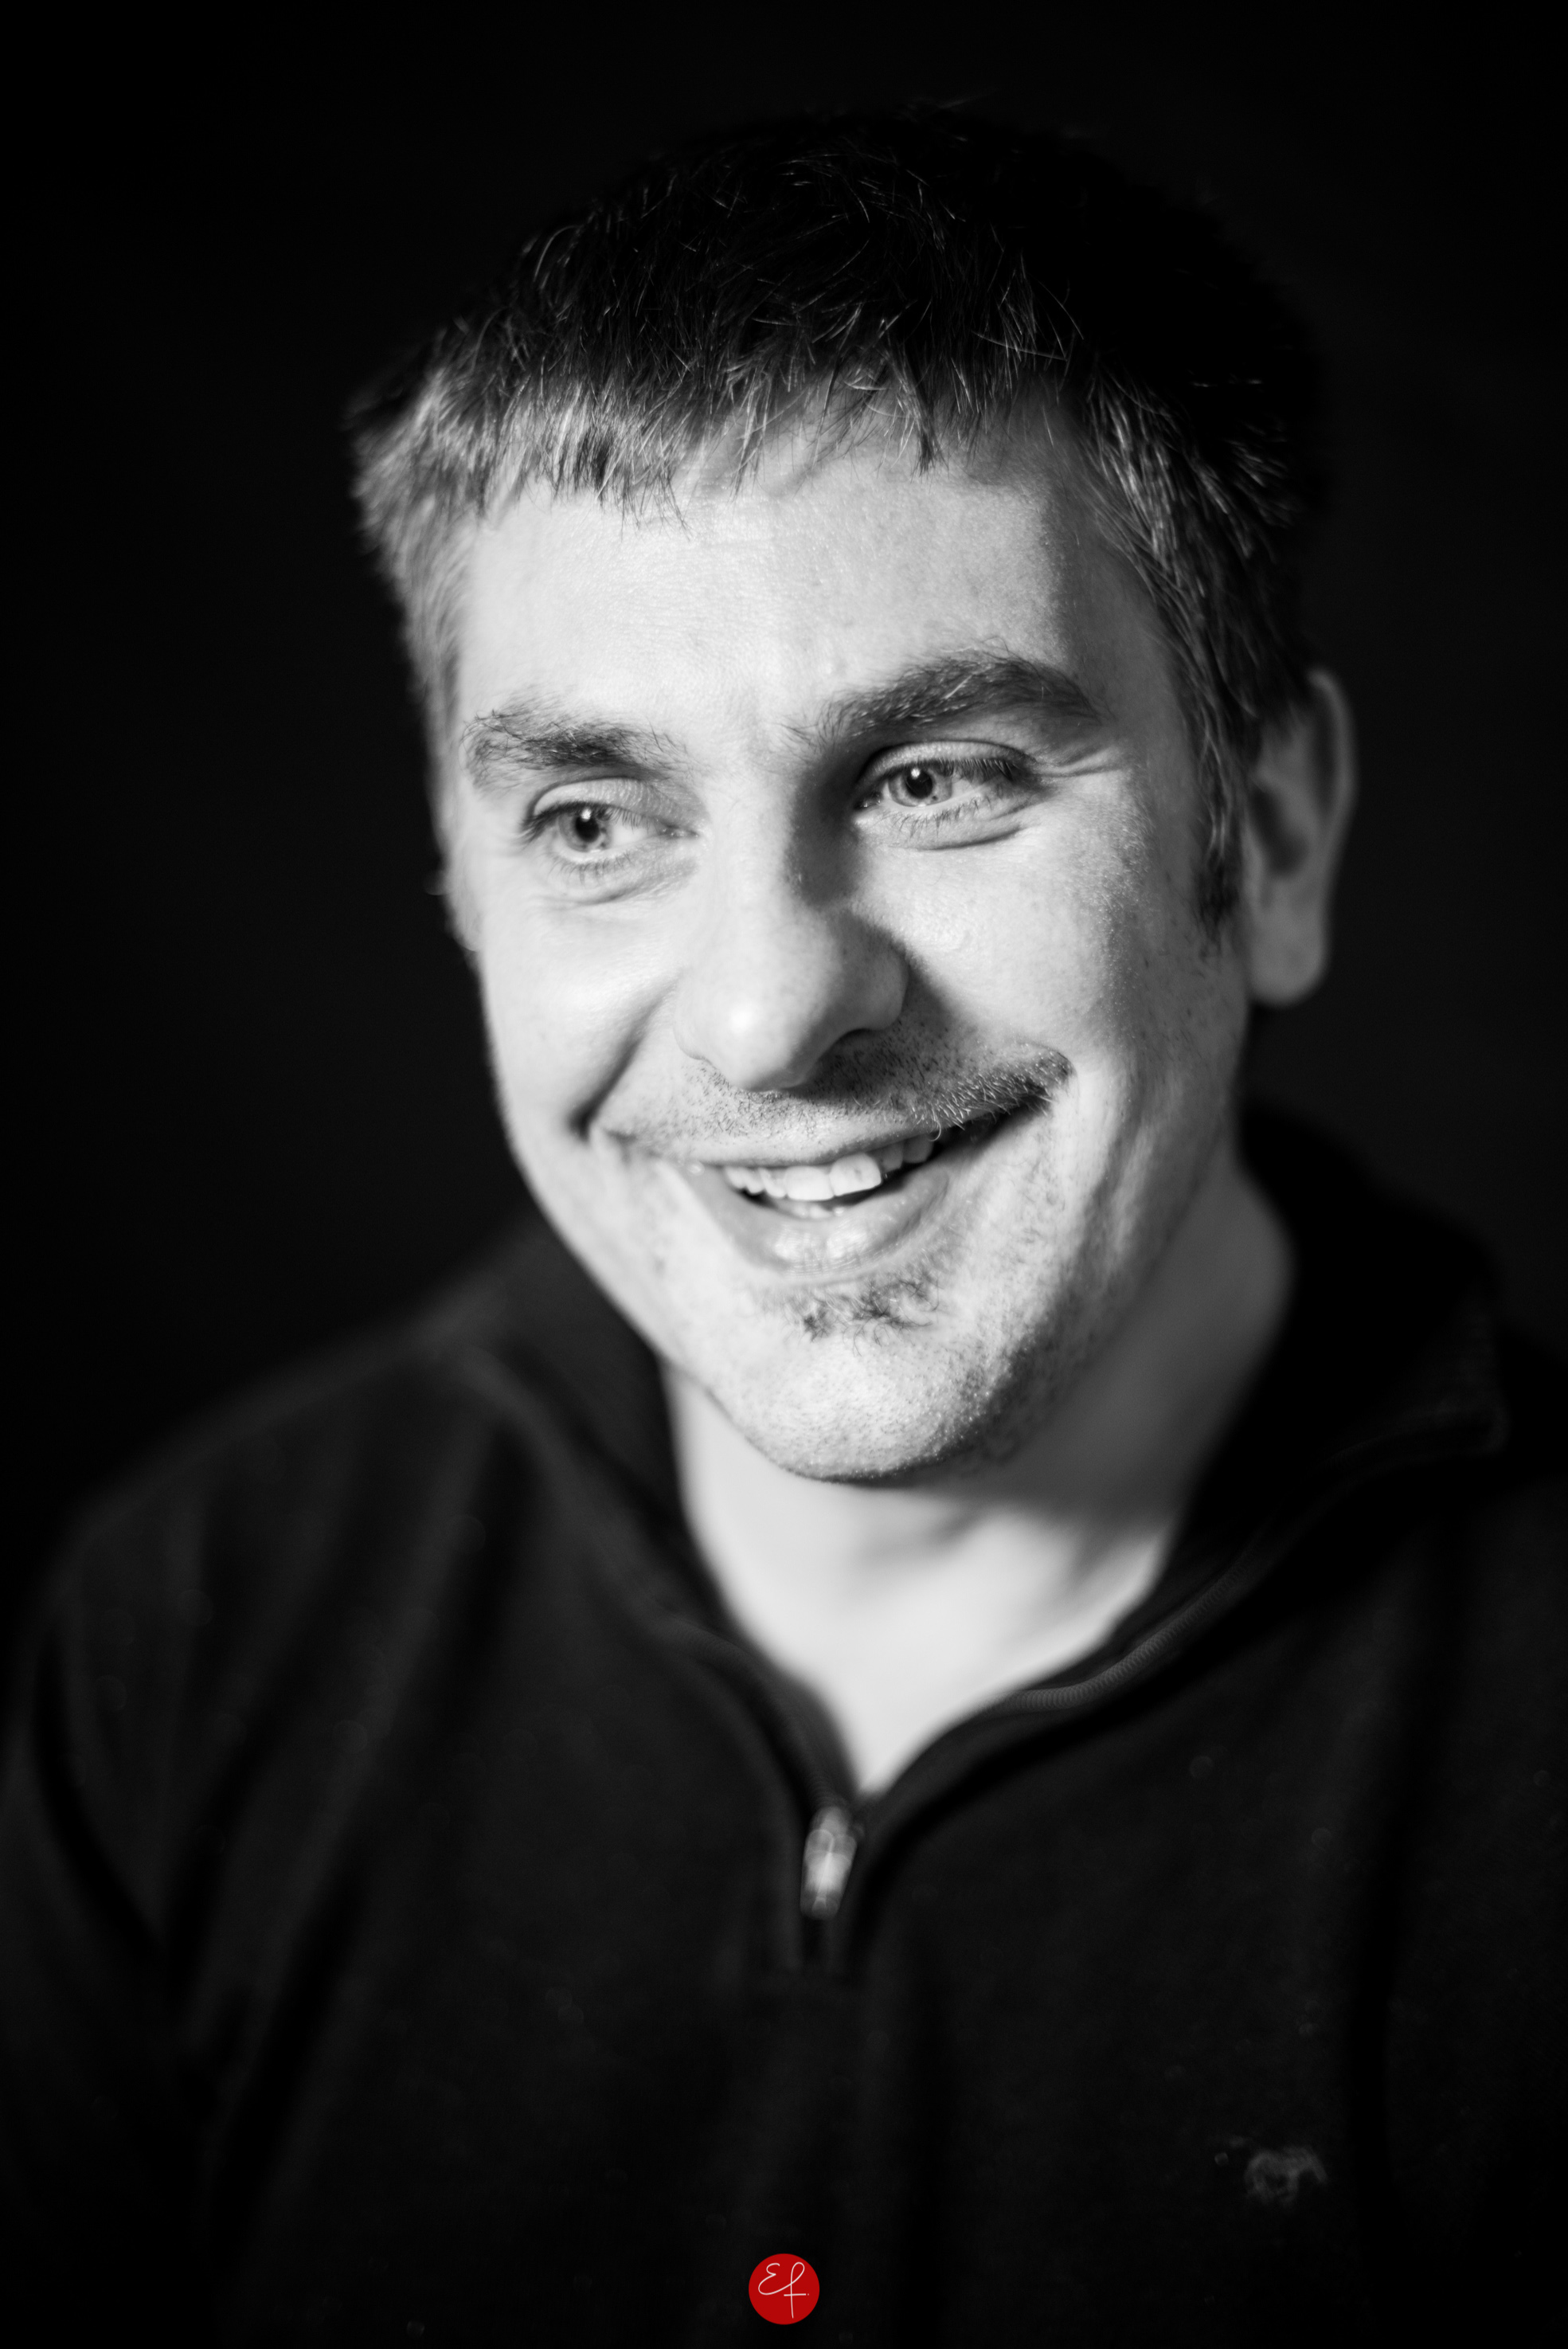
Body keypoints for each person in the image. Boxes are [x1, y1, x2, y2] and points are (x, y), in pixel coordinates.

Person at [2, 113, 1562, 2347]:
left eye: (939, 778)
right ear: (462, 891)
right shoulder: (195, 1636)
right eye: (591, 818)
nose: (762, 1012)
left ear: (1277, 836)